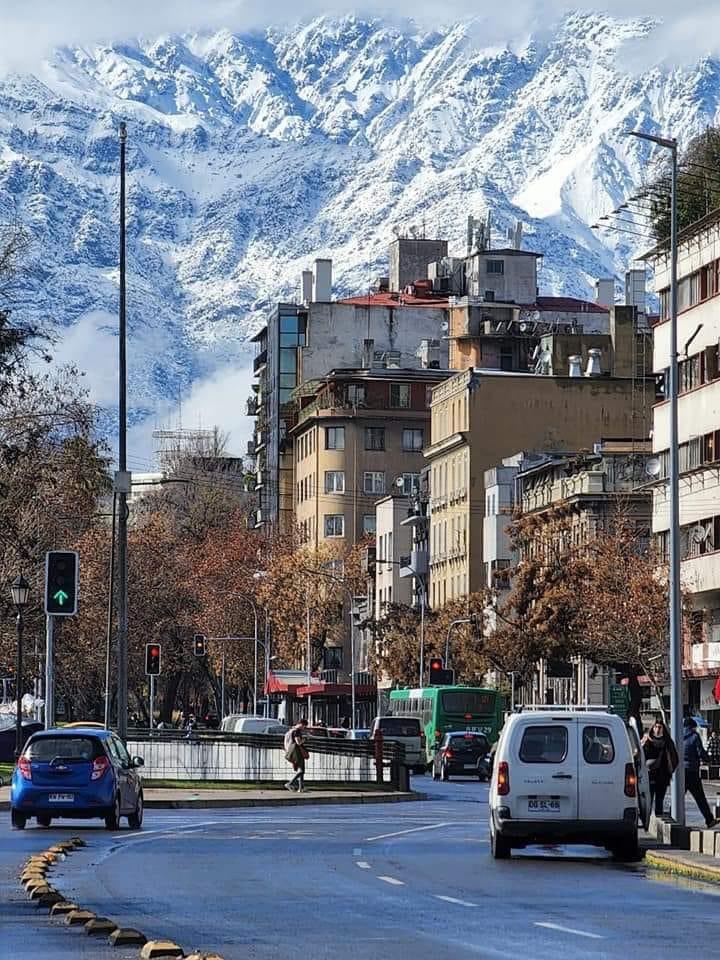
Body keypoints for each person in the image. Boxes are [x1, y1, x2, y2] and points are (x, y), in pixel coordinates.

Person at [683, 717, 717, 828]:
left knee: (678, 797)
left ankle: (672, 816)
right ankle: (709, 819)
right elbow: (700, 752)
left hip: (681, 773)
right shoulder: (694, 736)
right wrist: (708, 759)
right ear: (693, 726)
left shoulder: (678, 736)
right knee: (700, 798)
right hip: (692, 771)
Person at [641, 718, 679, 817]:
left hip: (663, 776)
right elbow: (639, 755)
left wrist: (669, 771)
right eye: (656, 727)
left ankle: (658, 819)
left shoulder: (668, 742)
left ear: (663, 729)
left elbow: (675, 759)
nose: (657, 729)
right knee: (648, 799)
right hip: (649, 774)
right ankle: (646, 820)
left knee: (659, 800)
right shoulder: (647, 740)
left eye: (660, 727)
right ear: (653, 728)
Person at [284, 718, 309, 792]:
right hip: (296, 751)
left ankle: (301, 788)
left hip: (291, 751)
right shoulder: (297, 731)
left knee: (301, 769)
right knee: (301, 770)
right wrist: (305, 739)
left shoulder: (291, 730)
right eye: (304, 726)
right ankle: (289, 783)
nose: (304, 728)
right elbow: (298, 742)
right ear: (301, 724)